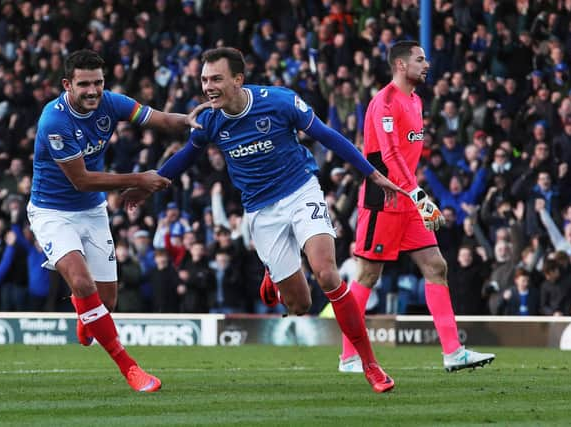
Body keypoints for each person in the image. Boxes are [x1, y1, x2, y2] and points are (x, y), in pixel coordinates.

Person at [124, 47, 407, 393]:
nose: (208, 86)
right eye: (204, 79)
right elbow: (186, 157)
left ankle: (370, 364)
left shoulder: (279, 101)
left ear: (238, 79)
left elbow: (327, 135)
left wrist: (371, 173)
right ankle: (273, 275)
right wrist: (146, 187)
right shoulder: (210, 120)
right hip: (260, 211)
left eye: (216, 78)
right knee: (300, 306)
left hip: (301, 191)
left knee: (327, 273)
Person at [27, 49, 206, 393]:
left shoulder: (112, 102)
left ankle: (86, 313)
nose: (93, 90)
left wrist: (189, 120)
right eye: (84, 84)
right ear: (68, 85)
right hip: (52, 212)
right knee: (82, 282)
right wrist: (139, 180)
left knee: (106, 304)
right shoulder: (54, 121)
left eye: (98, 82)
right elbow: (81, 179)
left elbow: (158, 119)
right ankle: (131, 368)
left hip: (92, 212)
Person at [342, 41, 495, 373]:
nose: (426, 64)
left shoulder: (416, 100)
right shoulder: (383, 102)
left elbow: (407, 158)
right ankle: (348, 356)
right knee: (368, 274)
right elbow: (389, 156)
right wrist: (420, 195)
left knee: (436, 266)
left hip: (409, 200)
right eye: (420, 59)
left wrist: (414, 196)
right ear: (400, 64)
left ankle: (453, 352)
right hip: (382, 199)